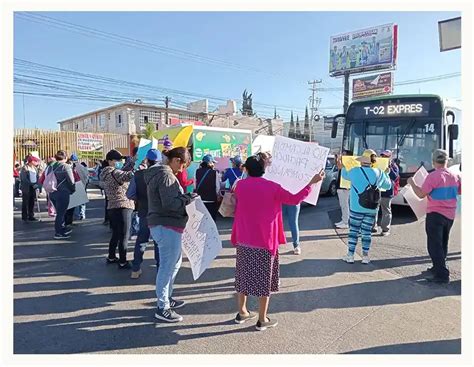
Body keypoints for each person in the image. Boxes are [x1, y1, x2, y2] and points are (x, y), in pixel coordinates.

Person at [232, 153, 325, 331]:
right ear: (263, 169)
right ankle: (262, 318)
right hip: (265, 240)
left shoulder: (240, 186)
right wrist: (311, 183)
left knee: (242, 276)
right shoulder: (272, 187)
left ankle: (242, 312)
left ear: (247, 169)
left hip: (244, 237)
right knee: (264, 280)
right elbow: (294, 199)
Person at [144, 147, 195, 322]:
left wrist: (184, 197)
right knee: (167, 266)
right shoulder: (166, 175)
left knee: (173, 264)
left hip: (163, 224)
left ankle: (167, 299)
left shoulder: (158, 173)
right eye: (183, 165)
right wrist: (187, 199)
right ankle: (162, 306)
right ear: (176, 160)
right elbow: (169, 203)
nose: (182, 169)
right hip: (167, 224)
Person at [408, 149, 461, 284]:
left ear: (433, 161)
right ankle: (438, 267)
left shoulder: (432, 176)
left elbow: (420, 194)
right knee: (443, 243)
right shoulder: (455, 176)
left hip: (435, 214)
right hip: (450, 215)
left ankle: (442, 275)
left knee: (434, 245)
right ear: (447, 161)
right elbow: (460, 191)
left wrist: (412, 183)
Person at [338, 149, 391, 264]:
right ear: (373, 161)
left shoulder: (354, 171)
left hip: (356, 207)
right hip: (371, 208)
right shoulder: (379, 172)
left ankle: (350, 255)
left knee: (354, 231)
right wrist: (386, 173)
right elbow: (388, 185)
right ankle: (365, 257)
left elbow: (344, 175)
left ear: (362, 161)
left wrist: (341, 166)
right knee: (366, 232)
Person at [100, 149, 135, 269]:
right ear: (110, 161)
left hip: (112, 206)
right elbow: (129, 175)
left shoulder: (105, 173)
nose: (120, 162)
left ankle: (111, 256)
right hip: (123, 206)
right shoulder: (114, 172)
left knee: (116, 233)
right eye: (118, 160)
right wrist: (139, 167)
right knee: (124, 235)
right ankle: (123, 261)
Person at [129, 149, 160, 279]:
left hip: (143, 212)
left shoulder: (138, 175)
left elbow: (129, 194)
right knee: (159, 243)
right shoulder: (164, 174)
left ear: (147, 160)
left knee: (142, 241)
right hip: (159, 214)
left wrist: (140, 199)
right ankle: (160, 271)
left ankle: (135, 269)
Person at [47, 150, 76, 239]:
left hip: (52, 192)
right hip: (63, 192)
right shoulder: (65, 166)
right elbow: (71, 181)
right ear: (66, 157)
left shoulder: (50, 166)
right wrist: (72, 190)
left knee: (59, 212)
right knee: (61, 213)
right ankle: (59, 232)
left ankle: (61, 229)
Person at [373, 150, 399, 236]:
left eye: (386, 156)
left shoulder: (393, 166)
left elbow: (395, 177)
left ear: (390, 157)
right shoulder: (376, 164)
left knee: (386, 211)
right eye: (382, 155)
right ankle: (373, 227)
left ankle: (385, 229)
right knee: (374, 209)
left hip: (387, 192)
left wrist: (390, 170)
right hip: (377, 190)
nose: (383, 157)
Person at [194, 154, 221, 220]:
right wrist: (218, 196)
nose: (214, 164)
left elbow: (195, 185)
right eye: (213, 163)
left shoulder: (197, 171)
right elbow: (217, 187)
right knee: (211, 219)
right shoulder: (214, 173)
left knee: (201, 219)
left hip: (200, 199)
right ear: (210, 163)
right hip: (211, 199)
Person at [19, 155, 41, 222]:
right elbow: (24, 179)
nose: (36, 162)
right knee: (25, 202)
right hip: (27, 187)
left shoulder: (35, 168)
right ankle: (25, 216)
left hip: (33, 187)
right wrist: (32, 184)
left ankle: (31, 215)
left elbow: (37, 177)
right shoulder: (24, 168)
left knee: (32, 201)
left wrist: (37, 184)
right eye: (35, 161)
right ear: (31, 161)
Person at [335, 150, 353, 229]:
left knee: (345, 205)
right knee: (342, 205)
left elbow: (339, 166)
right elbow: (338, 166)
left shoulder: (348, 164)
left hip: (344, 187)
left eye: (344, 154)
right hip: (341, 186)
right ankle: (343, 220)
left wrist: (338, 159)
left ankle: (346, 222)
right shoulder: (344, 164)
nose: (342, 155)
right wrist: (337, 159)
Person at [70, 153, 89, 220]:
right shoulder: (82, 167)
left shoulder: (71, 168)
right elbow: (87, 177)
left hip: (75, 185)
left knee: (75, 202)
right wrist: (84, 184)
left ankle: (76, 215)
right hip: (82, 185)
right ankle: (82, 215)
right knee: (82, 202)